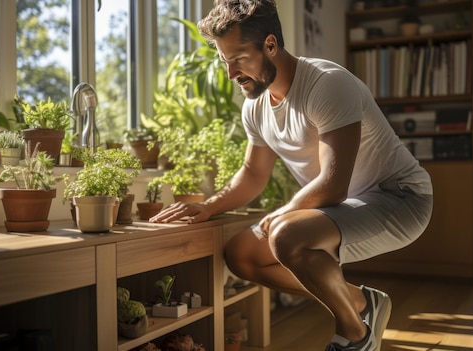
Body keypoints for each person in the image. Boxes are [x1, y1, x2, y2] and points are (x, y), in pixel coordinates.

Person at [150, 1, 433, 350]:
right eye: (225, 61)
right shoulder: (255, 106)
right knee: (241, 255)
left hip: (402, 199)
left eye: (238, 59)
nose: (230, 73)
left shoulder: (328, 85)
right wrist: (208, 206)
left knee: (284, 235)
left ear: (270, 45)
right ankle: (362, 303)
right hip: (347, 205)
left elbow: (333, 185)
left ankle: (355, 337)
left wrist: (282, 215)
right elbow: (253, 174)